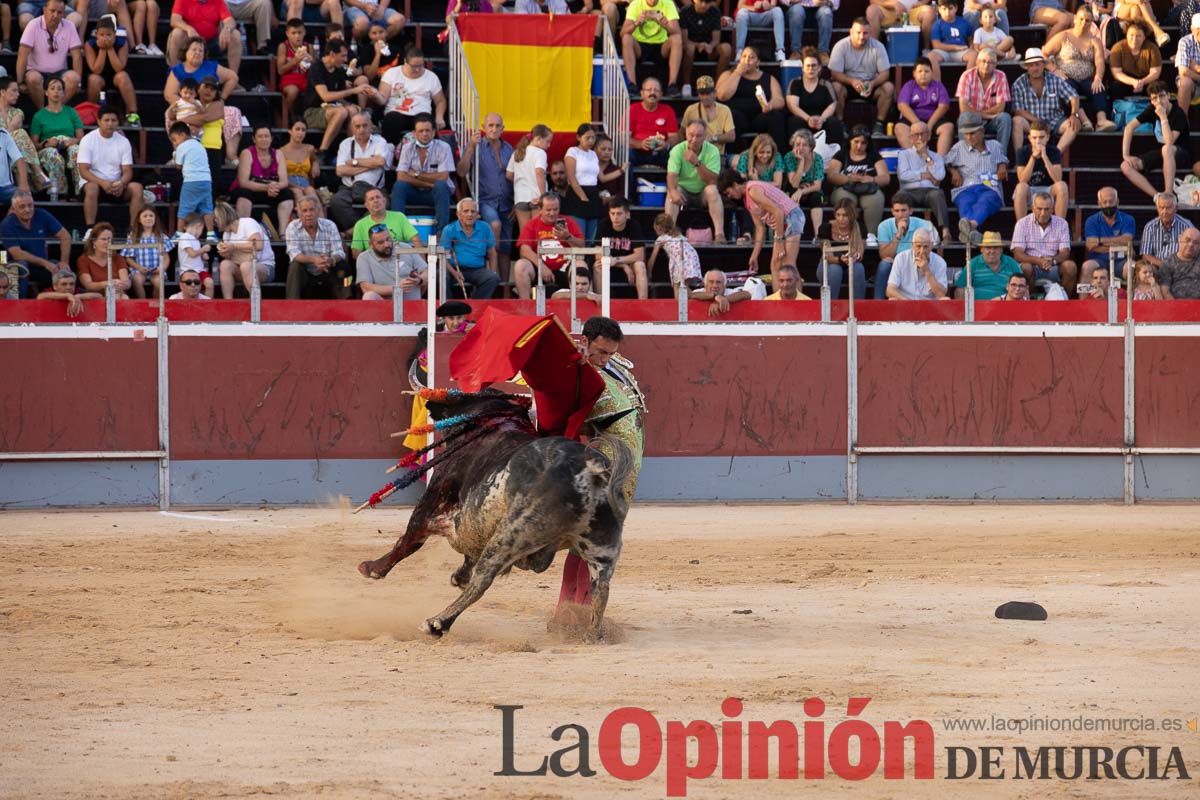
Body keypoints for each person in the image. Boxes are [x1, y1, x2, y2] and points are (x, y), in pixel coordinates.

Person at [718, 168, 805, 284]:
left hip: (791, 217)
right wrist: (754, 256)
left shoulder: (753, 190)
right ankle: (777, 300)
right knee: (775, 265)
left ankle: (799, 301)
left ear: (734, 185)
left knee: (788, 264)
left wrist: (779, 242)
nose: (729, 196)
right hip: (782, 223)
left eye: (728, 192)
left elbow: (778, 212)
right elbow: (760, 228)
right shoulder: (747, 200)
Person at [456, 112, 514, 277]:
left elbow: (516, 176)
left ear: (503, 128)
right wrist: (471, 147)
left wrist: (516, 204)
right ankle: (491, 274)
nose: (494, 129)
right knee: (495, 225)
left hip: (506, 202)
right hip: (485, 201)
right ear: (483, 127)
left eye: (497, 126)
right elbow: (461, 171)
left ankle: (504, 290)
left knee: (505, 247)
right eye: (490, 125)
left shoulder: (509, 148)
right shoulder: (476, 145)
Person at [1041, 6, 1115, 131]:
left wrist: (1098, 77)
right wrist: (1054, 69)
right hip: (1066, 77)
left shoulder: (1095, 40)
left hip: (1086, 78)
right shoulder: (1063, 36)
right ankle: (1084, 120)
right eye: (1081, 19)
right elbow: (1043, 54)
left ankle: (1101, 121)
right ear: (1075, 19)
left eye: (1087, 20)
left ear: (1092, 22)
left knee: (1099, 88)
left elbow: (1100, 61)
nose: (1083, 23)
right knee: (1068, 89)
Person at [1120, 81, 1190, 200]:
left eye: (1162, 96)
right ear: (1151, 101)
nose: (1159, 101)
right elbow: (1129, 127)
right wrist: (1126, 155)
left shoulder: (1178, 113)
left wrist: (1163, 117)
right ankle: (1157, 197)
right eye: (1154, 98)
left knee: (1167, 149)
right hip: (1162, 154)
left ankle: (1168, 193)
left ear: (1169, 95)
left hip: (1181, 154)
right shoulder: (1152, 109)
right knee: (1125, 166)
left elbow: (1169, 142)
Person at [946, 111, 1007, 244]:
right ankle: (972, 231)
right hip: (965, 188)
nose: (968, 137)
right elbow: (946, 162)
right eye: (965, 134)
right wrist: (953, 170)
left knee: (985, 201)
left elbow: (1003, 160)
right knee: (964, 202)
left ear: (982, 131)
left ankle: (970, 227)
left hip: (988, 187)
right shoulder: (958, 147)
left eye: (972, 133)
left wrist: (1002, 165)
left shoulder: (995, 145)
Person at [77, 106, 143, 228]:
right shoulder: (87, 139)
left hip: (116, 186)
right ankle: (90, 229)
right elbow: (83, 170)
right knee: (92, 188)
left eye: (113, 120)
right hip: (95, 183)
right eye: (106, 120)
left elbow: (128, 171)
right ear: (98, 121)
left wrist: (122, 183)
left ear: (118, 122)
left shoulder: (123, 141)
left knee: (137, 188)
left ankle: (133, 230)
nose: (110, 124)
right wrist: (102, 182)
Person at [828, 18, 894, 135]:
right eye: (858, 33)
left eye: (865, 33)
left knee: (888, 88)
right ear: (851, 32)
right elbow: (835, 73)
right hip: (848, 85)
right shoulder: (841, 46)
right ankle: (840, 123)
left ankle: (879, 125)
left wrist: (873, 83)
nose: (862, 37)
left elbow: (885, 73)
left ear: (870, 33)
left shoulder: (878, 47)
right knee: (835, 87)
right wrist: (852, 81)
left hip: (870, 84)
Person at [392, 113, 455, 236]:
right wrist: (429, 183)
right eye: (421, 131)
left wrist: (415, 174)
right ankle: (397, 231)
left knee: (441, 186)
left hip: (436, 193)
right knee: (399, 186)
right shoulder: (407, 148)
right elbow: (401, 176)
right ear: (414, 133)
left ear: (433, 132)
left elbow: (443, 177)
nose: (424, 134)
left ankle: (441, 233)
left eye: (427, 130)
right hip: (416, 191)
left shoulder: (443, 147)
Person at [513, 192, 584, 299]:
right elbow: (524, 249)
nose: (552, 213)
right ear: (540, 210)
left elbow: (582, 245)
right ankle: (525, 305)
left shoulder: (568, 222)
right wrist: (542, 267)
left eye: (555, 209)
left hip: (565, 267)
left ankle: (584, 303)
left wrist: (568, 237)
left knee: (581, 265)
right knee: (520, 265)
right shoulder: (532, 224)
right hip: (540, 267)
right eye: (548, 210)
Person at [330, 112, 393, 233]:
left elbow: (380, 162)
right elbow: (340, 170)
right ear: (352, 128)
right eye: (357, 126)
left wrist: (354, 162)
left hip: (375, 187)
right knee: (336, 201)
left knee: (383, 204)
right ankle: (361, 230)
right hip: (349, 188)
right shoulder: (346, 144)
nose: (361, 129)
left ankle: (351, 232)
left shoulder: (380, 142)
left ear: (371, 126)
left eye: (365, 125)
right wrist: (369, 165)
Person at [715, 46, 787, 151]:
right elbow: (722, 96)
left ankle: (779, 156)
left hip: (759, 116)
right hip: (737, 116)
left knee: (776, 116)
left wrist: (770, 105)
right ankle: (732, 157)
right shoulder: (728, 74)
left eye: (751, 57)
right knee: (731, 116)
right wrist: (738, 72)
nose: (747, 60)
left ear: (758, 62)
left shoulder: (769, 78)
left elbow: (779, 100)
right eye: (744, 56)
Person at [0, 191, 71, 295]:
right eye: (22, 207)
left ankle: (61, 302)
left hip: (40, 265)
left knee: (63, 271)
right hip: (18, 265)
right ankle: (21, 304)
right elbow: (17, 254)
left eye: (30, 205)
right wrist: (45, 263)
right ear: (14, 209)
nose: (27, 210)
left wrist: (64, 261)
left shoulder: (41, 214)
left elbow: (65, 236)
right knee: (22, 267)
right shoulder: (6, 224)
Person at [1010, 48, 1078, 156]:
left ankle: (1056, 155)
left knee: (1074, 124)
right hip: (1031, 123)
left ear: (1043, 65)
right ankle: (1019, 158)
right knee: (1016, 121)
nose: (1035, 68)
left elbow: (1073, 96)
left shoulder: (1054, 79)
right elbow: (1018, 110)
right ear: (1027, 67)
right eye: (1031, 65)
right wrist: (1038, 121)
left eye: (1037, 64)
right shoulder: (1019, 83)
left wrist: (1074, 114)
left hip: (1054, 120)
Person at [666, 120, 726, 242]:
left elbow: (712, 180)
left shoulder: (713, 150)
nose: (694, 139)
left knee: (712, 190)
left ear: (705, 136)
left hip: (703, 193)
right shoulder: (677, 150)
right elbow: (672, 175)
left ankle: (719, 234)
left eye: (698, 136)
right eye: (691, 135)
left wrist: (697, 163)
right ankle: (668, 233)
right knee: (672, 193)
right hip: (684, 192)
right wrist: (673, 190)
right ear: (686, 134)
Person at [304, 40, 367, 157]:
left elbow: (339, 96)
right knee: (341, 112)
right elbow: (325, 96)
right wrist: (353, 91)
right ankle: (323, 150)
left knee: (353, 111)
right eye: (343, 56)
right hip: (313, 112)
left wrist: (349, 104)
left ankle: (353, 152)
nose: (345, 59)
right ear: (332, 54)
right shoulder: (316, 68)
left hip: (332, 108)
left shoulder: (339, 70)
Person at [17, 0, 83, 109]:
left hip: (59, 72)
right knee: (33, 78)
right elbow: (22, 55)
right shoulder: (33, 24)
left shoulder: (69, 26)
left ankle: (55, 110)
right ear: (44, 10)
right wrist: (20, 81)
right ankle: (42, 111)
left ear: (63, 13)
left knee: (74, 78)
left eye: (59, 12)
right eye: (52, 11)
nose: (55, 15)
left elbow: (77, 56)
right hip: (36, 71)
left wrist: (79, 82)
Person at [231, 125, 293, 239]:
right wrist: (267, 188)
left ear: (271, 138)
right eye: (260, 136)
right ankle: (242, 233)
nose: (264, 139)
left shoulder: (278, 153)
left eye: (266, 136)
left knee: (287, 194)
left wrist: (274, 187)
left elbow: (284, 181)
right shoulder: (247, 153)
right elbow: (243, 182)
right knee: (243, 193)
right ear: (254, 139)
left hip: (272, 190)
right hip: (252, 189)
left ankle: (282, 233)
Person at [826, 125, 888, 235]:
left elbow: (885, 178)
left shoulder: (874, 155)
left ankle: (871, 235)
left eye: (863, 143)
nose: (859, 146)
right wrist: (848, 178)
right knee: (845, 201)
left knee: (876, 200)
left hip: (868, 188)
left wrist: (872, 179)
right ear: (850, 141)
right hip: (846, 187)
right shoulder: (841, 154)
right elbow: (831, 175)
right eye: (856, 141)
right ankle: (846, 233)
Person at [875, 195, 941, 298]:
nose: (900, 214)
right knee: (884, 265)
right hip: (896, 263)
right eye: (897, 211)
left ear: (910, 211)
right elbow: (884, 255)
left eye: (903, 210)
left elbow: (930, 248)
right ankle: (878, 304)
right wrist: (899, 234)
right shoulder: (883, 226)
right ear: (892, 211)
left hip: (916, 260)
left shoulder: (923, 224)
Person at [1011, 192, 1077, 293]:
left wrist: (1053, 261)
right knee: (1025, 267)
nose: (1043, 213)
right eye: (1039, 209)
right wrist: (1038, 261)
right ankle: (1030, 299)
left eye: (1047, 209)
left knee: (1070, 267)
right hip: (1032, 265)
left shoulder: (1062, 223)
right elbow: (1018, 254)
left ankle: (1063, 299)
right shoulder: (1022, 223)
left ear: (1052, 208)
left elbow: (1065, 252)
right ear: (1033, 208)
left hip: (1054, 265)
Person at [284, 196, 348, 299]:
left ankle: (347, 303)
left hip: (327, 270)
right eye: (304, 211)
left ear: (318, 211)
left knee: (343, 266)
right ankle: (292, 304)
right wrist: (314, 259)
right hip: (306, 274)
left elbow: (339, 252)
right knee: (295, 266)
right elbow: (294, 253)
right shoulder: (293, 227)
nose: (308, 214)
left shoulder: (330, 225)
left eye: (311, 209)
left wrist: (331, 260)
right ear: (299, 213)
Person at [379, 46, 447, 143]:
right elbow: (382, 98)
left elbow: (440, 100)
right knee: (391, 120)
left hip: (421, 113)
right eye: (414, 66)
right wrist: (375, 94)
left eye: (421, 65)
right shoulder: (391, 73)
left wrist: (439, 117)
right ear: (405, 62)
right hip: (396, 112)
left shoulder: (431, 77)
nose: (418, 70)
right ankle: (390, 151)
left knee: (426, 124)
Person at [31, 77, 84, 197]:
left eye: (59, 89)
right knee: (52, 154)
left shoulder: (71, 112)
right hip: (49, 148)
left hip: (69, 144)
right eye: (52, 88)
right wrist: (45, 144)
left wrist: (72, 141)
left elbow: (81, 138)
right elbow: (33, 144)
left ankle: (80, 191)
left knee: (76, 150)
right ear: (46, 92)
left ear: (63, 93)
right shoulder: (39, 116)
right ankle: (60, 193)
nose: (56, 92)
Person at [896, 124, 950, 241]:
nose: (919, 138)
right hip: (909, 191)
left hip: (929, 192)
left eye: (923, 134)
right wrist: (924, 175)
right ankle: (900, 230)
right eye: (916, 135)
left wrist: (926, 156)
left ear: (929, 136)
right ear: (910, 137)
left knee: (938, 194)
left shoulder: (937, 157)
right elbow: (903, 175)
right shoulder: (904, 155)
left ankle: (945, 231)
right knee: (900, 197)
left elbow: (940, 176)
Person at [83, 16, 138, 127]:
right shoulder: (90, 44)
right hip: (100, 76)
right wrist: (103, 50)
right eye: (102, 35)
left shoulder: (122, 43)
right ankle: (92, 113)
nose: (105, 38)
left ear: (115, 34)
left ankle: (133, 114)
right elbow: (96, 70)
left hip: (116, 75)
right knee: (93, 79)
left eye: (109, 35)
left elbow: (119, 67)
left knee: (123, 76)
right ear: (96, 34)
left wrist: (110, 48)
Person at [441, 198, 501, 300]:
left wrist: (493, 272)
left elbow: (492, 252)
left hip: (477, 270)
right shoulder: (449, 230)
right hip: (453, 269)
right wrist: (454, 273)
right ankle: (449, 309)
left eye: (473, 211)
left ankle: (476, 306)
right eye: (466, 211)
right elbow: (442, 257)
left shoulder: (485, 227)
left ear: (477, 214)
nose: (470, 214)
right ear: (458, 214)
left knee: (492, 278)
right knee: (440, 277)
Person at [784, 47, 845, 147]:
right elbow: (792, 106)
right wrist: (808, 119)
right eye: (807, 66)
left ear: (819, 67)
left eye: (814, 66)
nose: (811, 69)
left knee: (834, 123)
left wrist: (822, 118)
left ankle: (835, 157)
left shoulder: (825, 84)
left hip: (821, 119)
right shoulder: (795, 83)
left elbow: (832, 104)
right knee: (794, 121)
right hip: (803, 118)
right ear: (803, 68)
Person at [620, 0, 683, 96]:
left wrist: (665, 24)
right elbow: (622, 33)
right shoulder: (636, 4)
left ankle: (672, 85)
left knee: (676, 39)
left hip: (661, 46)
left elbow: (677, 32)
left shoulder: (667, 3)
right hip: (640, 46)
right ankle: (632, 84)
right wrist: (636, 23)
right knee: (626, 38)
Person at [213, 200, 274, 297]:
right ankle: (228, 303)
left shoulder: (247, 223)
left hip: (264, 266)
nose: (215, 222)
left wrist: (234, 246)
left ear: (222, 217)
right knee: (225, 265)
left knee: (246, 266)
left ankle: (255, 304)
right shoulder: (226, 234)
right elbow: (234, 258)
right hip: (242, 267)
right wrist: (226, 253)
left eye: (216, 219)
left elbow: (258, 245)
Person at [955, 48, 1011, 154]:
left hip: (991, 122)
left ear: (995, 65)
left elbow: (1000, 107)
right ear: (977, 62)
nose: (986, 65)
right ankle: (965, 158)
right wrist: (987, 115)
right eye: (983, 61)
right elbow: (963, 108)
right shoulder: (967, 76)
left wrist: (980, 114)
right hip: (971, 120)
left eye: (991, 62)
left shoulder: (1001, 76)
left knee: (1005, 118)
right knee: (964, 117)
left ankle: (1000, 158)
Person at [895, 57, 954, 155]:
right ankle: (915, 158)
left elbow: (943, 106)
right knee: (899, 127)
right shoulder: (909, 85)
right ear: (914, 74)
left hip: (934, 119)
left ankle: (939, 163)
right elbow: (902, 105)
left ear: (932, 73)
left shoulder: (938, 86)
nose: (923, 74)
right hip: (913, 119)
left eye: (927, 71)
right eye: (920, 71)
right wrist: (918, 123)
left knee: (948, 127)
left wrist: (929, 126)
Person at [166, 0, 242, 74]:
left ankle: (233, 79)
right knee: (177, 33)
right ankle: (176, 76)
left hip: (212, 42)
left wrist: (227, 29)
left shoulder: (218, 1)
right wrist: (189, 28)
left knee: (235, 34)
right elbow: (174, 20)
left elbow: (230, 20)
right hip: (190, 41)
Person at [356, 222, 427, 300]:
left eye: (388, 239)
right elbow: (366, 288)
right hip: (383, 307)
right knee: (369, 296)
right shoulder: (364, 257)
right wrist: (397, 288)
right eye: (380, 242)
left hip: (412, 305)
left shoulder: (405, 248)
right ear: (371, 244)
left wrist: (420, 280)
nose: (386, 244)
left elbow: (428, 272)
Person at [1013, 120, 1068, 220]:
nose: (1038, 141)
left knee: (1062, 186)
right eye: (1034, 138)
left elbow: (1057, 179)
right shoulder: (1022, 152)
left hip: (1048, 190)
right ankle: (1021, 230)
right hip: (1030, 191)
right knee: (1020, 187)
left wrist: (1045, 157)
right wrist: (1033, 158)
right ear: (1029, 138)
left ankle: (1060, 229)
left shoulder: (1054, 151)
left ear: (1047, 137)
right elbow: (1022, 180)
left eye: (1041, 137)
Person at [163, 36, 238, 108]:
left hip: (210, 108)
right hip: (186, 109)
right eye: (194, 49)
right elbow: (169, 94)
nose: (197, 52)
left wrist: (221, 99)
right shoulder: (178, 69)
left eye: (201, 50)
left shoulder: (211, 66)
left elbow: (233, 77)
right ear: (186, 51)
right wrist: (189, 106)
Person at [596, 196, 648, 299]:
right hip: (610, 264)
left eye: (619, 214)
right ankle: (600, 303)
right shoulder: (603, 225)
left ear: (627, 214)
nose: (615, 217)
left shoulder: (634, 225)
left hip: (627, 263)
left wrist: (617, 260)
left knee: (640, 265)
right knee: (597, 266)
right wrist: (623, 266)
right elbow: (598, 254)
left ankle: (643, 303)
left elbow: (640, 255)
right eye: (612, 213)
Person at [1081, 187, 1136, 283]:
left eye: (1111, 201)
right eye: (1104, 202)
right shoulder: (1091, 221)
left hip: (1121, 261)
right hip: (1098, 261)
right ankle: (1084, 298)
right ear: (1099, 203)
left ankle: (1132, 298)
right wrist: (1120, 245)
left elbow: (1127, 240)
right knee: (1087, 267)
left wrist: (1100, 241)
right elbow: (1090, 245)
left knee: (1132, 267)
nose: (1108, 205)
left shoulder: (1128, 219)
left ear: (1117, 201)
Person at [167, 121, 213, 235]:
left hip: (191, 181)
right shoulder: (200, 144)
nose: (175, 143)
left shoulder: (182, 146)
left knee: (184, 208)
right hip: (206, 181)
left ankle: (178, 233)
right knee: (207, 208)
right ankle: (211, 234)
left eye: (174, 139)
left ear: (182, 135)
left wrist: (175, 154)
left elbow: (178, 165)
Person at [817, 196, 866, 298]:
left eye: (845, 215)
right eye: (838, 215)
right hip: (828, 265)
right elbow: (828, 257)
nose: (841, 219)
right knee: (835, 269)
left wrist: (854, 257)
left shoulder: (859, 227)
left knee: (859, 268)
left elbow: (860, 254)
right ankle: (831, 306)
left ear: (852, 215)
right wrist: (841, 259)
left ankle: (859, 306)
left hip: (850, 263)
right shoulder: (826, 227)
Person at [350, 187, 420, 258]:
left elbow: (416, 240)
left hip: (400, 261)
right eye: (371, 199)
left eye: (378, 197)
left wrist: (423, 265)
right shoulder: (360, 225)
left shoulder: (399, 217)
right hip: (375, 264)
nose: (375, 201)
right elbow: (356, 254)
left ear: (384, 201)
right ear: (366, 205)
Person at [506, 124, 552, 234]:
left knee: (525, 234)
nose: (549, 145)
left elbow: (508, 175)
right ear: (538, 139)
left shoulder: (517, 152)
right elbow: (539, 172)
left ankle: (525, 251)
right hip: (536, 196)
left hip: (520, 197)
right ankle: (536, 252)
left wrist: (521, 182)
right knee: (538, 232)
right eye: (548, 141)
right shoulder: (540, 153)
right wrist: (543, 196)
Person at [563, 123, 603, 244]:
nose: (591, 141)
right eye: (587, 138)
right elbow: (571, 177)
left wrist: (621, 170)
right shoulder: (572, 151)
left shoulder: (594, 154)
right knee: (579, 236)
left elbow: (600, 176)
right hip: (577, 194)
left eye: (593, 138)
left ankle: (589, 262)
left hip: (593, 194)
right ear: (579, 137)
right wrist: (582, 196)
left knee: (591, 237)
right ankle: (579, 263)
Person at [954, 230, 1021, 299]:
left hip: (1005, 306)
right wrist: (962, 309)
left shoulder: (1011, 263)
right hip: (978, 307)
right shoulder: (972, 264)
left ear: (1001, 249)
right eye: (988, 247)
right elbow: (960, 289)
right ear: (981, 249)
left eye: (996, 248)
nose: (992, 251)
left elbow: (1023, 287)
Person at [121, 207, 172, 299]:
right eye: (145, 216)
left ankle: (155, 304)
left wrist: (162, 268)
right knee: (137, 280)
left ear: (155, 219)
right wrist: (139, 268)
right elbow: (128, 258)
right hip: (139, 269)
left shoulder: (161, 236)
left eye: (151, 216)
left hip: (156, 269)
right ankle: (143, 302)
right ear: (139, 220)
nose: (148, 218)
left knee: (159, 282)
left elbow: (166, 257)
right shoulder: (133, 236)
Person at [628, 77, 680, 168]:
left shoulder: (667, 110)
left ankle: (671, 182)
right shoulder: (632, 109)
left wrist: (666, 144)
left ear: (661, 94)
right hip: (638, 151)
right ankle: (628, 182)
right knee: (626, 154)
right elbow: (623, 137)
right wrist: (640, 144)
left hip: (660, 152)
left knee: (675, 155)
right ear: (642, 93)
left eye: (656, 90)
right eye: (649, 90)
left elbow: (674, 137)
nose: (652, 93)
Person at [679, 0, 731, 86]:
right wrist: (697, 45)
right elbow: (684, 39)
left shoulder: (715, 11)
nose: (703, 5)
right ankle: (686, 84)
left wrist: (710, 46)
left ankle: (718, 84)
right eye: (700, 1)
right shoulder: (685, 11)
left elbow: (716, 39)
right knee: (690, 48)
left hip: (709, 50)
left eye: (707, 2)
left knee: (726, 48)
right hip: (690, 49)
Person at [680, 75, 736, 154]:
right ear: (698, 95)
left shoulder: (724, 109)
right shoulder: (691, 110)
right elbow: (681, 133)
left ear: (714, 93)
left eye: (708, 93)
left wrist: (713, 138)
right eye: (702, 93)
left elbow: (731, 136)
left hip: (717, 155)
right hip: (695, 154)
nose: (705, 97)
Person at [886, 228, 948, 299]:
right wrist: (909, 303)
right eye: (918, 246)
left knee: (945, 299)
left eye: (925, 247)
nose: (922, 251)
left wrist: (927, 271)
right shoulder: (901, 258)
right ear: (912, 245)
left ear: (931, 246)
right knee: (892, 299)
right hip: (905, 302)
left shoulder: (940, 262)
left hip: (929, 304)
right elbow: (890, 290)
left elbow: (941, 294)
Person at [1108, 22, 1162, 103]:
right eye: (1131, 35)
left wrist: (1142, 82)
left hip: (1145, 79)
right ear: (1126, 35)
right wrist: (1133, 82)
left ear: (1144, 37)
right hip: (1126, 80)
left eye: (1138, 36)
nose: (1134, 39)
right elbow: (1117, 73)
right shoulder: (1118, 48)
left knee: (1156, 87)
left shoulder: (1152, 49)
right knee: (1115, 87)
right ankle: (1119, 111)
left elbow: (1155, 73)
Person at [783, 128, 824, 233]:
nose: (800, 148)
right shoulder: (789, 157)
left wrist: (801, 191)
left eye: (805, 145)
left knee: (817, 197)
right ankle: (794, 234)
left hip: (809, 190)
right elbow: (794, 183)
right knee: (792, 197)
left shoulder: (818, 158)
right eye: (797, 144)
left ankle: (817, 235)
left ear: (811, 147)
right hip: (792, 189)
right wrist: (801, 161)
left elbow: (817, 185)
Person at [648, 211, 702, 291]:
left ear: (657, 227)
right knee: (683, 287)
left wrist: (648, 272)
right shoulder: (679, 234)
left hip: (681, 259)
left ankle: (703, 295)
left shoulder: (661, 239)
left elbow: (653, 258)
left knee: (679, 289)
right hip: (692, 257)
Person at [1140, 192, 1195, 269]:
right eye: (1161, 208)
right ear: (1157, 209)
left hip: (1180, 268)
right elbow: (1146, 255)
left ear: (1176, 208)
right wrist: (1164, 265)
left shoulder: (1186, 226)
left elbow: (1193, 252)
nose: (1164, 212)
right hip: (1157, 267)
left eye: (1168, 208)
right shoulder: (1150, 227)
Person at [75, 222, 130, 298]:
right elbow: (88, 285)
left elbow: (127, 282)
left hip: (118, 295)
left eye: (109, 239)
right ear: (94, 241)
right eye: (103, 239)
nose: (107, 242)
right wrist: (108, 284)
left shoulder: (118, 258)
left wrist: (122, 285)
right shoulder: (84, 259)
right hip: (95, 297)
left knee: (123, 297)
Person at [927, 0, 976, 82]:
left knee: (974, 55)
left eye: (950, 8)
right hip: (943, 51)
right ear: (939, 9)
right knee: (931, 56)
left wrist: (971, 46)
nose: (947, 12)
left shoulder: (964, 23)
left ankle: (967, 84)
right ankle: (937, 87)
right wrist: (955, 47)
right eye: (944, 9)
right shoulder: (937, 24)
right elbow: (936, 45)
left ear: (956, 8)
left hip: (961, 52)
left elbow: (970, 38)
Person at [277, 18, 313, 119]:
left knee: (319, 89)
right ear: (287, 33)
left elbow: (317, 69)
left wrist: (312, 60)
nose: (297, 36)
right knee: (293, 91)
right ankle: (288, 116)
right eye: (293, 33)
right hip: (289, 81)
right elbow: (280, 70)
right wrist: (295, 61)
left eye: (299, 32)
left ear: (304, 32)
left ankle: (309, 118)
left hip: (306, 80)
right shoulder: (283, 46)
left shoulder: (309, 47)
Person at [280, 119, 320, 206]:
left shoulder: (309, 148)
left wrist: (316, 163)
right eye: (297, 129)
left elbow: (315, 161)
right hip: (290, 184)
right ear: (290, 131)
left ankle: (321, 219)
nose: (300, 133)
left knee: (311, 191)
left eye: (303, 130)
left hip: (306, 183)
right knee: (298, 192)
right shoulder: (281, 151)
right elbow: (280, 177)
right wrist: (298, 187)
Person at [174, 212, 214, 296]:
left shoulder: (196, 240)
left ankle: (208, 305)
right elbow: (191, 253)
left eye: (199, 228)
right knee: (191, 287)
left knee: (209, 283)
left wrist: (203, 255)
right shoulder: (184, 237)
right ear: (185, 227)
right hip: (188, 271)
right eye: (193, 227)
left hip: (199, 270)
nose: (196, 231)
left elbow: (197, 255)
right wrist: (203, 249)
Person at [1158, 228, 1200, 299]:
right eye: (1187, 240)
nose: (1190, 245)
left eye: (1195, 242)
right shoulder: (1167, 263)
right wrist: (1177, 308)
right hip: (1176, 305)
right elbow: (1165, 291)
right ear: (1180, 239)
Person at [0, 116, 29, 205]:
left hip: (5, 188)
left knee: (23, 198)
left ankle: (9, 218)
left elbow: (19, 160)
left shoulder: (3, 135)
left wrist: (24, 185)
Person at [1177, 14, 1200, 111]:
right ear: (1192, 29)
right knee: (1185, 81)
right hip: (1192, 84)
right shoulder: (1185, 41)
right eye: (1198, 28)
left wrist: (1196, 68)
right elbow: (1183, 71)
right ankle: (1181, 122)